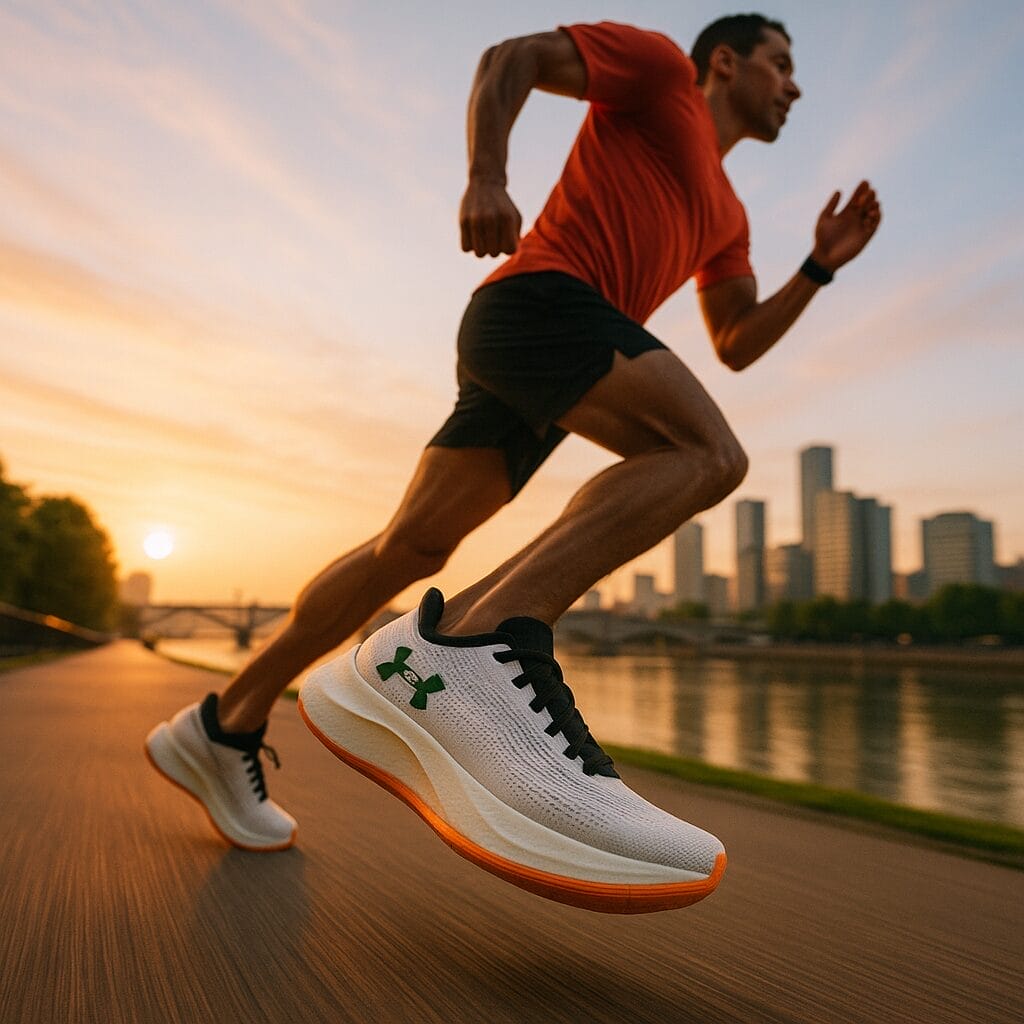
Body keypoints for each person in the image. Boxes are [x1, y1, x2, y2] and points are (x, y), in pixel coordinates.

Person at [146, 15, 881, 913]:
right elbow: (512, 60)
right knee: (703, 453)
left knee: (408, 552)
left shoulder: (728, 215)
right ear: (724, 63)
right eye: (782, 64)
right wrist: (487, 176)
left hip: (558, 356)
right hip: (539, 304)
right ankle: (472, 645)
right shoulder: (657, 71)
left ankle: (225, 722)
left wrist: (817, 267)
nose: (794, 85)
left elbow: (735, 340)